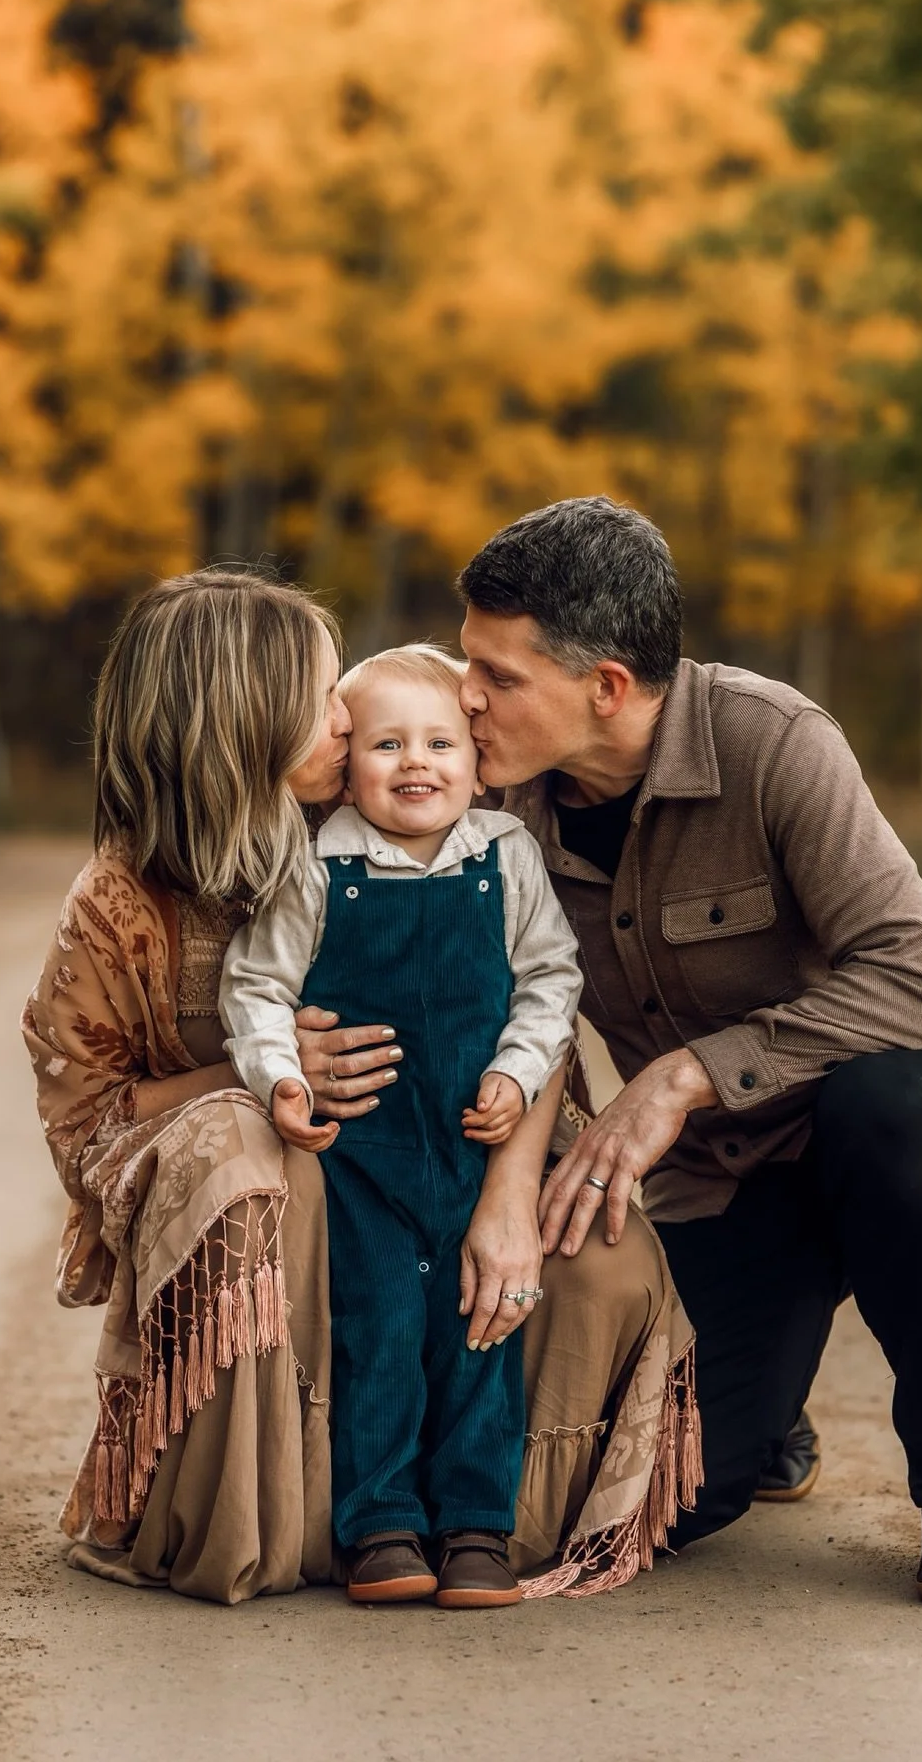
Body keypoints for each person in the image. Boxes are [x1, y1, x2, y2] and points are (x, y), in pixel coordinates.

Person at [22, 568, 698, 1607]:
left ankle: (492, 1518)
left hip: (460, 1140)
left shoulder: (431, 820)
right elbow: (86, 1127)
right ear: (243, 719)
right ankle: (301, 1512)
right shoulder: (125, 901)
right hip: (321, 1173)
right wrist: (260, 1068)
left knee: (596, 1260)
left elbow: (533, 996)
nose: (355, 721)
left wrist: (511, 1195)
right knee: (253, 1163)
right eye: (326, 699)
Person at [452, 496, 922, 1605]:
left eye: (498, 675)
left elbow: (915, 982)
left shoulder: (775, 744)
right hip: (726, 1184)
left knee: (890, 1109)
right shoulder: (494, 810)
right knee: (664, 1503)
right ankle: (772, 1408)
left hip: (902, 1130)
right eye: (464, 664)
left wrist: (686, 1074)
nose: (466, 697)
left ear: (609, 688)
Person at [221, 645, 584, 1607]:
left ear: (476, 756)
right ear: (350, 762)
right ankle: (380, 1526)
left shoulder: (506, 857)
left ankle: (476, 1529)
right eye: (386, 743)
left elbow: (553, 979)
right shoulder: (315, 866)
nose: (415, 762)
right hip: (362, 1157)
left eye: (440, 742)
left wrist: (517, 1068)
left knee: (481, 1326)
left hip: (470, 1143)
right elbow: (255, 986)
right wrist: (280, 1077)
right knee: (377, 1324)